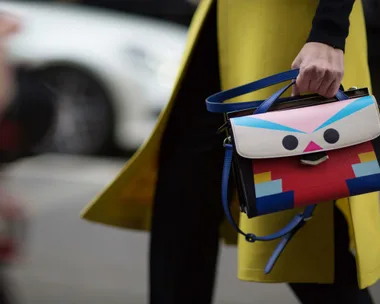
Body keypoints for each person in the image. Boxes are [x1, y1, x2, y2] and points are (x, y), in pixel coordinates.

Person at [82, 0, 380, 303]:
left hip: (293, 33)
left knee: (300, 227)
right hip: (223, 25)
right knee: (182, 202)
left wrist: (328, 32)